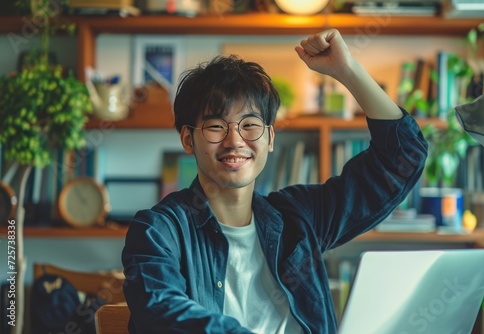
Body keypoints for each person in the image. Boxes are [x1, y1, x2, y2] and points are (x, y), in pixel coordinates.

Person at [121, 29, 428, 333]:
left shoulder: (299, 219)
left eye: (250, 125)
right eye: (216, 126)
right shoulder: (157, 232)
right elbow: (163, 312)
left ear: (269, 138)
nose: (235, 141)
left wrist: (347, 70)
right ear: (188, 139)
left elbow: (402, 159)